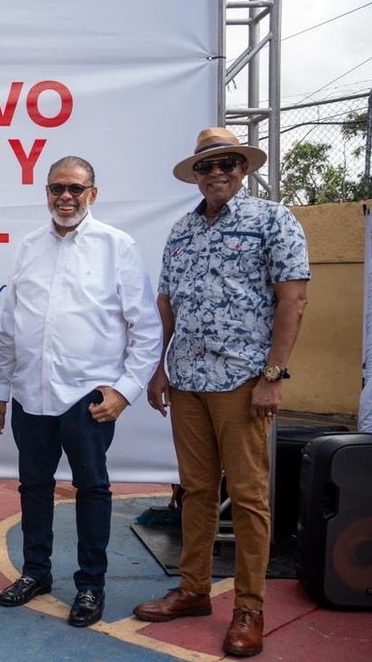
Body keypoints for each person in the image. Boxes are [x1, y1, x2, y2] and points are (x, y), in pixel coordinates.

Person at [133, 128, 310, 657]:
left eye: (227, 163)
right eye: (207, 166)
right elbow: (167, 304)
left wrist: (273, 377)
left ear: (243, 167)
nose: (217, 173)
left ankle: (249, 608)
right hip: (185, 379)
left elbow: (292, 301)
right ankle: (192, 590)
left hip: (243, 382)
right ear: (196, 174)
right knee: (196, 491)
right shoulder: (181, 231)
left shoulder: (274, 220)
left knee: (250, 499)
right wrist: (159, 369)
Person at [0, 156, 161, 627]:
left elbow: (145, 327)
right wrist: (0, 389)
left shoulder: (116, 246)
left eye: (75, 189)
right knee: (34, 488)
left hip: (88, 397)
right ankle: (36, 573)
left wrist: (125, 391)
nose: (66, 197)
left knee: (92, 489)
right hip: (29, 393)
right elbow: (10, 324)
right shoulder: (27, 247)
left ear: (92, 194)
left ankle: (90, 586)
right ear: (46, 192)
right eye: (57, 188)